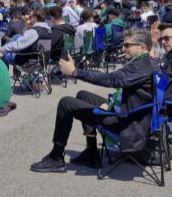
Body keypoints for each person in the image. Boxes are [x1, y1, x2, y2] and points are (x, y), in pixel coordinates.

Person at [30, 28, 158, 173]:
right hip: (132, 114)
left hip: (126, 123)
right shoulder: (148, 62)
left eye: (127, 45)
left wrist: (75, 71)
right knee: (83, 95)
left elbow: (111, 79)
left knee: (66, 103)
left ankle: (56, 157)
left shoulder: (140, 67)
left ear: (142, 48)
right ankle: (91, 152)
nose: (123, 48)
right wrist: (110, 104)